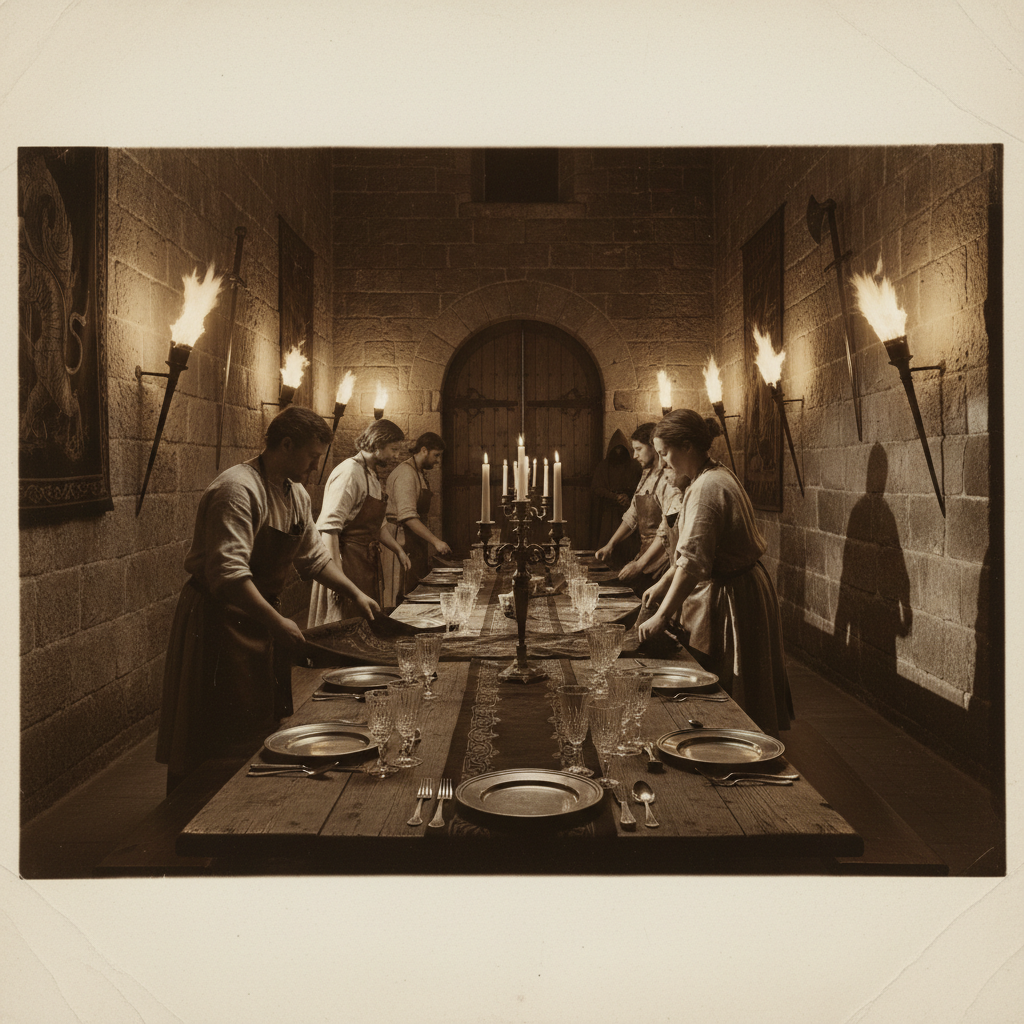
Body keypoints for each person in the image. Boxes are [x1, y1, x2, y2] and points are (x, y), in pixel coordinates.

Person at [156, 406, 380, 790]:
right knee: (216, 724)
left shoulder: (293, 492)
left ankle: (250, 794)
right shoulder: (237, 490)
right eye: (311, 456)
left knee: (258, 715)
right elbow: (228, 575)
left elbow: (313, 558)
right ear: (286, 444)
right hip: (219, 617)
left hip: (256, 618)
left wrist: (355, 593)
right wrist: (277, 623)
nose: (314, 467)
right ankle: (196, 805)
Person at [637, 409, 792, 736]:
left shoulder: (708, 487)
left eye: (665, 454)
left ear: (688, 446)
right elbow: (692, 548)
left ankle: (728, 740)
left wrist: (661, 617)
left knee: (724, 681)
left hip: (731, 594)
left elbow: (693, 561)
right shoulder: (711, 476)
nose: (663, 463)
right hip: (736, 584)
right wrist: (665, 582)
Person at [308, 418, 411, 627]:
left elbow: (377, 526)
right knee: (344, 624)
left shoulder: (371, 475)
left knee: (366, 623)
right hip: (345, 563)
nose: (396, 456)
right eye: (393, 449)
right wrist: (338, 580)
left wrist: (398, 550)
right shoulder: (349, 473)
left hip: (365, 564)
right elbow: (329, 528)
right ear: (377, 444)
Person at [594, 422, 680, 594]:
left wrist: (640, 564)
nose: (634, 456)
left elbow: (667, 531)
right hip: (644, 554)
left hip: (662, 559)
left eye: (639, 449)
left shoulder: (669, 480)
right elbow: (632, 515)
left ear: (653, 447)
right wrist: (610, 545)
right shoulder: (646, 475)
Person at [381, 431, 452, 604]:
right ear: (424, 450)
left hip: (414, 542)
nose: (437, 461)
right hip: (400, 541)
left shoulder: (418, 472)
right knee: (401, 592)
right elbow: (408, 517)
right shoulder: (406, 474)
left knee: (414, 589)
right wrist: (436, 541)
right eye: (436, 455)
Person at [589, 428, 641, 565]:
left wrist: (627, 498)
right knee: (607, 546)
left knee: (628, 547)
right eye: (616, 449)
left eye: (621, 449)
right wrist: (614, 497)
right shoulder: (603, 466)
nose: (618, 452)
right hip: (609, 514)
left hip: (627, 510)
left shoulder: (635, 466)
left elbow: (640, 488)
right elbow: (597, 488)